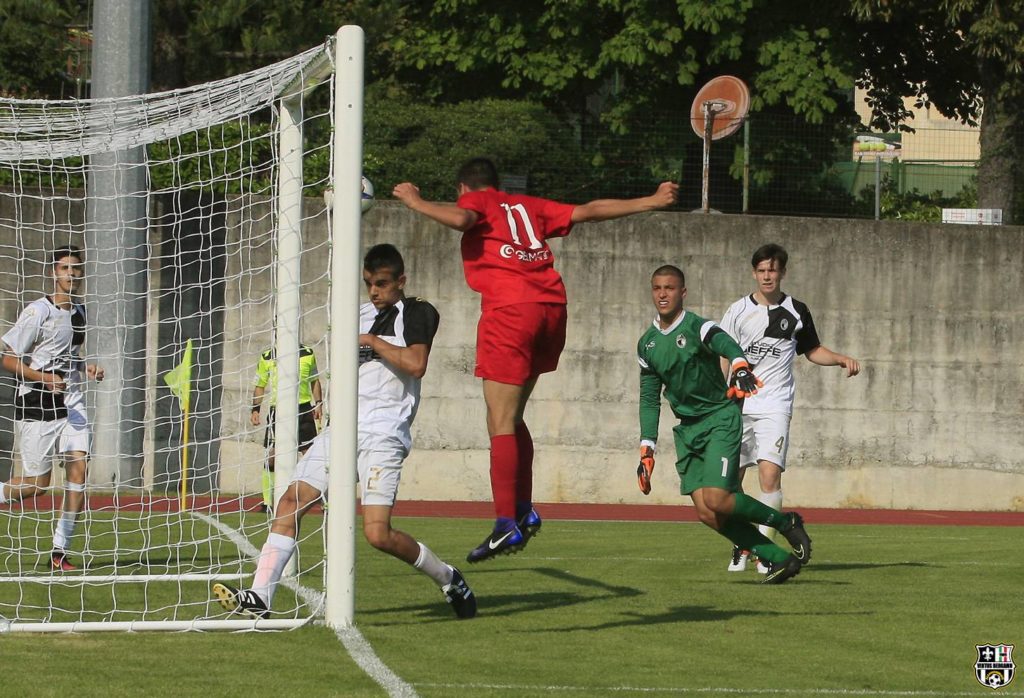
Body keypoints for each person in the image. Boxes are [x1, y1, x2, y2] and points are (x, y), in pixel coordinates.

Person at [393, 158, 678, 563]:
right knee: (513, 417)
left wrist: (415, 201)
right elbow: (589, 211)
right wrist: (649, 200)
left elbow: (462, 218)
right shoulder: (526, 205)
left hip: (511, 310)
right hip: (551, 308)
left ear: (465, 187)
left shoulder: (479, 201)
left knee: (498, 420)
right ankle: (523, 513)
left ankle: (505, 523)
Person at [213, 244, 476, 619]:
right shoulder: (357, 314)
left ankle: (448, 577)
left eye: (382, 284)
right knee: (290, 501)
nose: (374, 291)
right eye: (369, 283)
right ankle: (261, 597)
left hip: (383, 434)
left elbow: (416, 365)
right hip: (342, 431)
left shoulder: (419, 311)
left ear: (401, 281)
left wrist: (370, 342)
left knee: (377, 535)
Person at [635, 264, 811, 584]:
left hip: (719, 418)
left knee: (718, 498)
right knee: (707, 512)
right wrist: (647, 447)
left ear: (682, 293)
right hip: (687, 430)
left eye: (670, 288)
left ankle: (785, 523)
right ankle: (779, 559)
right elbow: (649, 398)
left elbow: (725, 343)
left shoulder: (697, 327)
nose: (663, 294)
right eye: (657, 288)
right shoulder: (646, 343)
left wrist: (741, 364)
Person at [719, 243, 860, 573]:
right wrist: (718, 393)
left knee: (770, 476)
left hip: (775, 406)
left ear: (782, 272)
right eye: (762, 270)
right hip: (737, 406)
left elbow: (812, 350)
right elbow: (722, 353)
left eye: (773, 269)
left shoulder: (797, 310)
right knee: (729, 484)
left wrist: (839, 359)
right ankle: (744, 542)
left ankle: (765, 552)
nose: (768, 275)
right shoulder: (737, 311)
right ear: (754, 273)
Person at [0, 245, 104, 571]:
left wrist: (86, 367)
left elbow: (70, 353)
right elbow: (7, 358)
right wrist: (43, 377)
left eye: (76, 269)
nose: (71, 275)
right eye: (65, 269)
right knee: (37, 484)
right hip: (37, 402)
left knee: (79, 472)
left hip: (71, 402)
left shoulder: (80, 311)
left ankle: (60, 551)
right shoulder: (37, 312)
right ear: (53, 273)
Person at [250, 340, 322, 513]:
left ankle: (322, 502)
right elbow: (260, 385)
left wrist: (318, 403)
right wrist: (255, 409)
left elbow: (314, 380)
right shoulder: (267, 356)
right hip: (279, 411)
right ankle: (268, 502)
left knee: (311, 456)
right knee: (272, 456)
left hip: (303, 409)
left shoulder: (307, 353)